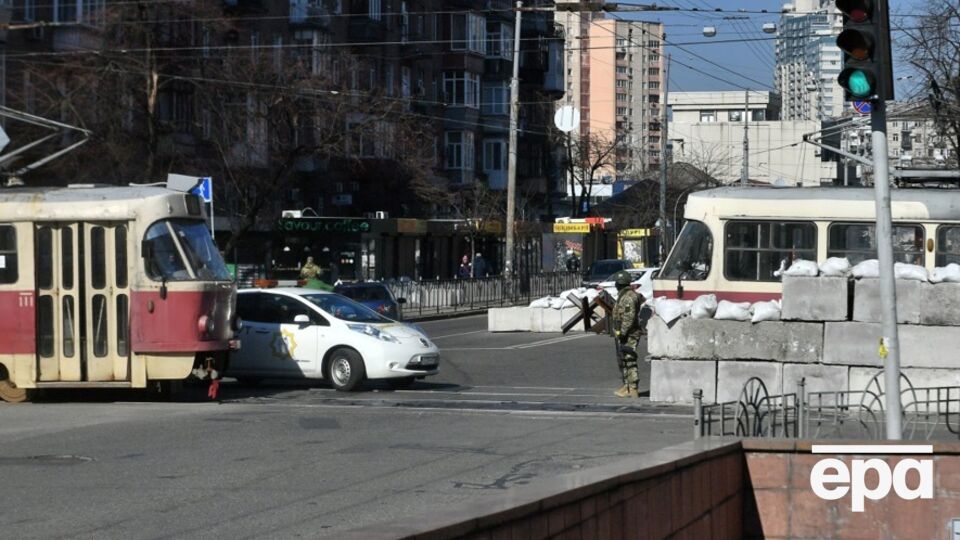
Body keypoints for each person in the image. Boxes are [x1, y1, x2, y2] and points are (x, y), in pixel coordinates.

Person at [611, 270, 643, 398]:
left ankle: (633, 387)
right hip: (624, 333)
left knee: (630, 359)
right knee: (624, 359)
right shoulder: (624, 295)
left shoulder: (629, 297)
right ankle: (627, 385)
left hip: (630, 333)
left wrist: (623, 332)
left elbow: (629, 317)